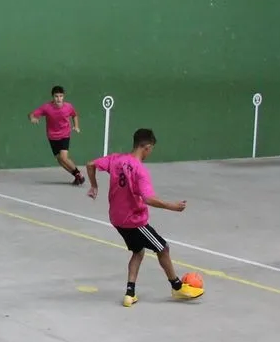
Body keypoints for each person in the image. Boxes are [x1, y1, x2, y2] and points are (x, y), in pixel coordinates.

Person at [86, 128, 204, 307]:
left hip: (116, 219)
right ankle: (177, 287)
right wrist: (172, 206)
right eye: (151, 149)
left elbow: (90, 164)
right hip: (134, 221)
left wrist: (94, 186)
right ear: (147, 147)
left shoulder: (116, 159)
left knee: (138, 251)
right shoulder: (140, 170)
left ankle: (130, 293)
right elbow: (149, 199)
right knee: (163, 248)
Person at [29, 85, 84, 185]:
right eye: (56, 96)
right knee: (60, 160)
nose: (59, 99)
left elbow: (74, 115)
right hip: (52, 137)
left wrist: (76, 126)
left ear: (63, 96)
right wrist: (32, 118)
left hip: (64, 135)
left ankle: (79, 174)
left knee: (64, 157)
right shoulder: (46, 107)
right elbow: (31, 114)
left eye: (61, 96)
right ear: (53, 97)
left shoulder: (68, 106)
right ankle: (76, 175)